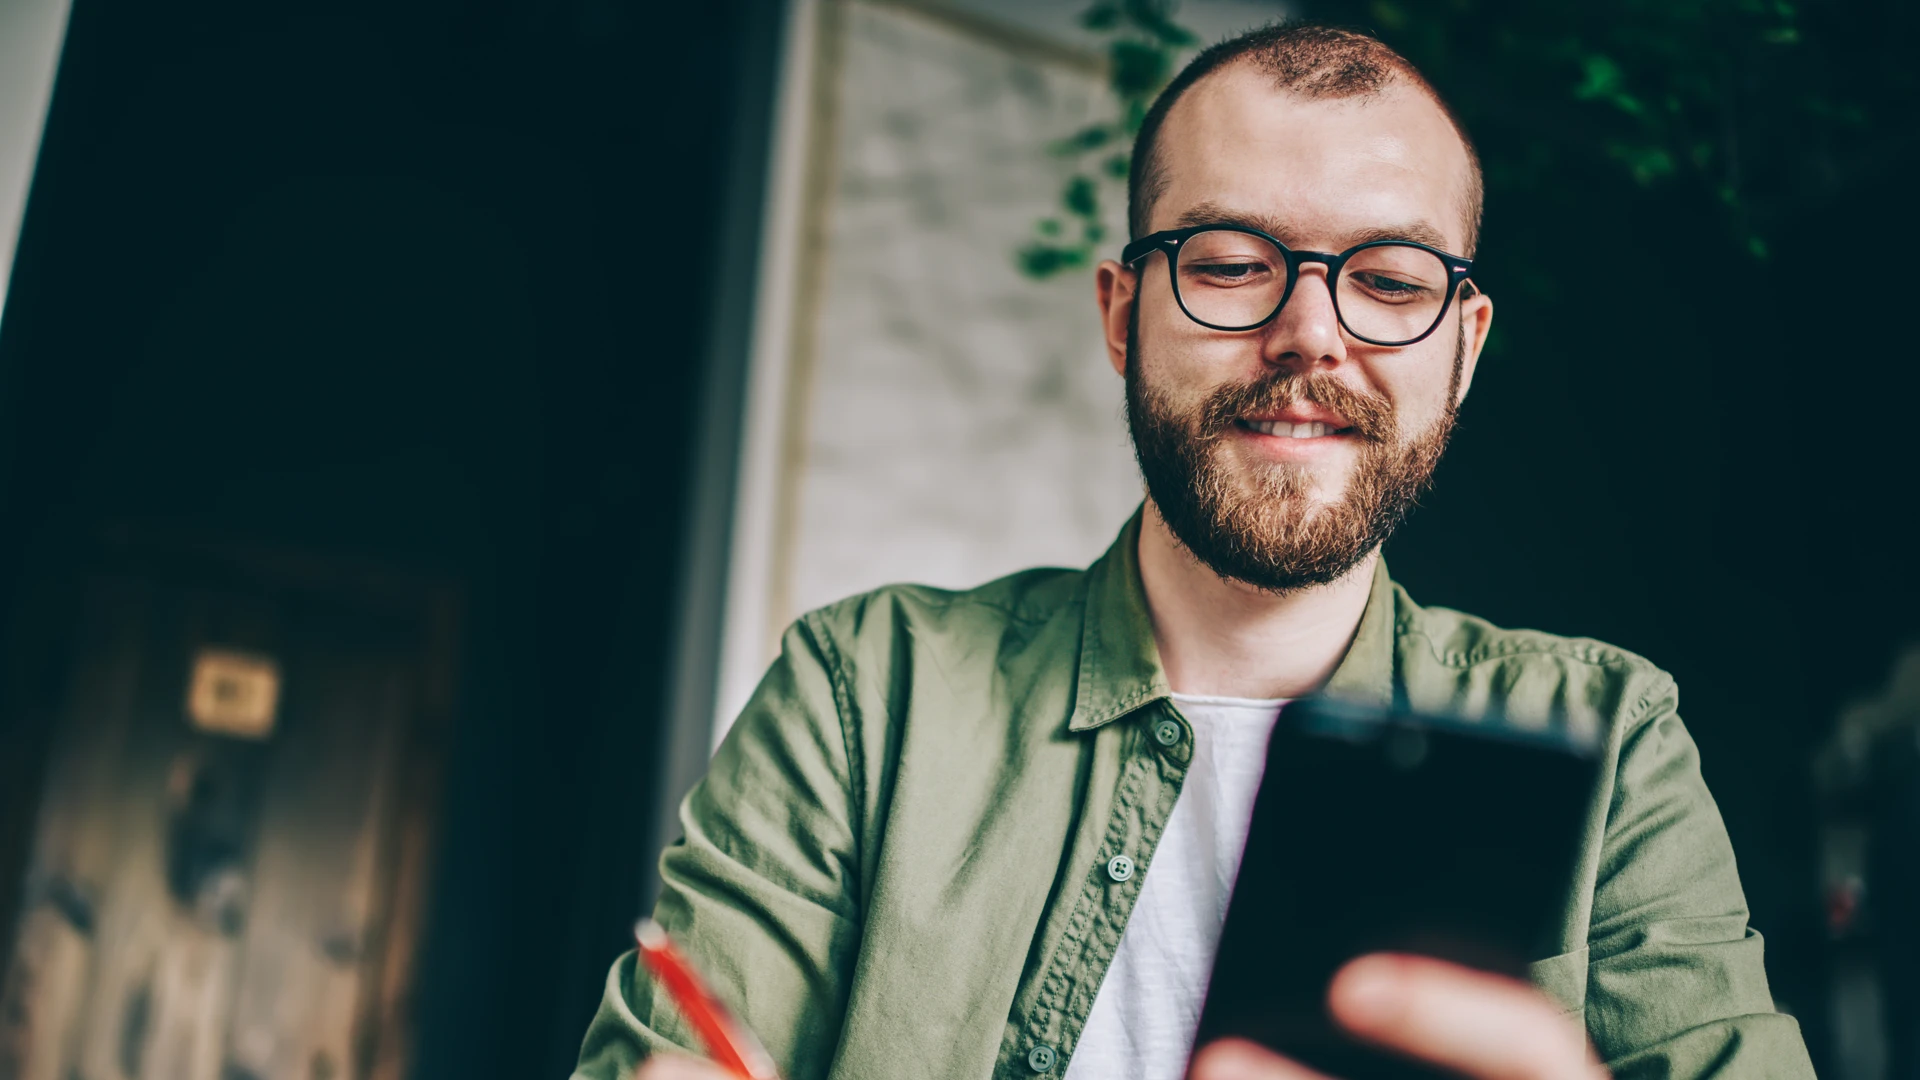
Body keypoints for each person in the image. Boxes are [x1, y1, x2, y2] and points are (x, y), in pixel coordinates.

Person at [574, 22, 1815, 1080]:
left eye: (1390, 282)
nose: (1311, 332)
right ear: (1123, 316)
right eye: (1229, 264)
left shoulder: (1613, 741)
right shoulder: (865, 691)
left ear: (1465, 347)